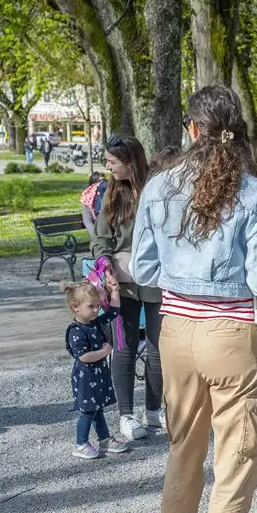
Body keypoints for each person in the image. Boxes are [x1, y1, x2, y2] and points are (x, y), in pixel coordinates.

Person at [131, 85, 257, 513]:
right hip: (232, 333)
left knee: (184, 450)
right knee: (237, 456)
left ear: (191, 129)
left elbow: (145, 270)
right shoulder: (255, 194)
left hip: (175, 331)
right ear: (235, 129)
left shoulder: (157, 187)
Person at [90, 135, 164, 442]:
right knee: (125, 345)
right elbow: (100, 238)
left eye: (113, 162)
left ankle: (154, 410)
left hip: (158, 279)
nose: (108, 166)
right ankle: (126, 414)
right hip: (120, 283)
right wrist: (104, 261)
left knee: (161, 348)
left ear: (131, 162)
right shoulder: (109, 192)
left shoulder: (158, 188)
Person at [64, 277, 126, 459]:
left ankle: (104, 439)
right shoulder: (76, 331)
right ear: (76, 307)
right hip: (85, 378)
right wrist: (104, 351)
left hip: (97, 375)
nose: (96, 310)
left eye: (97, 306)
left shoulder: (95, 322)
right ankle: (80, 443)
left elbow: (113, 312)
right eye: (91, 306)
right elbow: (83, 356)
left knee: (98, 408)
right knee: (87, 411)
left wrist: (114, 291)